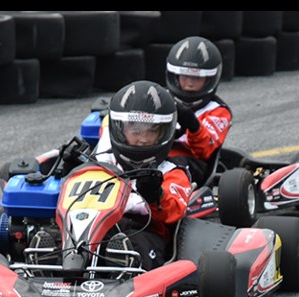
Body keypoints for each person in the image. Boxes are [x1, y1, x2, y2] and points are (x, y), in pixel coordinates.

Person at [91, 80, 192, 271]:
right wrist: (71, 172)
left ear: (164, 133)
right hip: (100, 226)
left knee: (133, 242)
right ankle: (51, 262)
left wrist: (155, 195)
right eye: (136, 130)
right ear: (120, 130)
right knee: (74, 233)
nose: (143, 138)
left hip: (146, 231)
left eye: (152, 131)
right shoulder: (104, 162)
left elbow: (175, 210)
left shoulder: (172, 170)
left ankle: (125, 269)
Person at [165, 36, 233, 186]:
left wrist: (192, 123)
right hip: (152, 156)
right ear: (176, 76)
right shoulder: (161, 99)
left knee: (173, 166)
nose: (189, 83)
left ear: (209, 79)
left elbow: (205, 150)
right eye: (185, 76)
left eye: (196, 78)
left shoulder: (218, 111)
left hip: (191, 163)